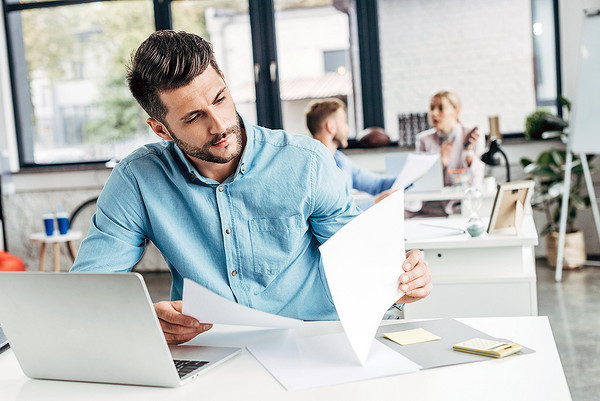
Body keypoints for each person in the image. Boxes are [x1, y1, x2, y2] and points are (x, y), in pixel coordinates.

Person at [70, 31, 432, 345]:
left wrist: (403, 282)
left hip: (315, 339)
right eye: (194, 117)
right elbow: (88, 293)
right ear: (161, 129)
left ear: (225, 81)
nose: (220, 125)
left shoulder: (305, 161)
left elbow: (365, 268)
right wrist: (141, 320)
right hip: (211, 349)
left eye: (219, 99)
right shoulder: (137, 179)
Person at [305, 98, 397, 208]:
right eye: (344, 122)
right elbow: (333, 214)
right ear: (331, 126)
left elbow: (378, 184)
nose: (347, 129)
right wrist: (375, 203)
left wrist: (409, 176)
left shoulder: (341, 160)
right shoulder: (311, 166)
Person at [411, 90, 485, 215]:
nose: (434, 113)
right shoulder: (423, 140)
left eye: (441, 108)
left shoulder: (472, 134)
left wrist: (468, 151)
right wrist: (440, 163)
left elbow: (477, 179)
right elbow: (420, 183)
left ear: (457, 111)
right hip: (432, 207)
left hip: (462, 205)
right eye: (432, 108)